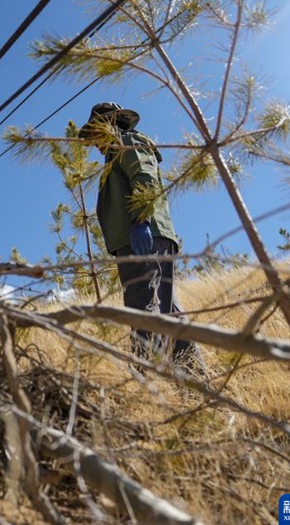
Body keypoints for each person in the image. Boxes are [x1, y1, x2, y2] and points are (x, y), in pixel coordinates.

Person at [78, 102, 204, 372]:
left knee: (141, 304)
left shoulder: (127, 142)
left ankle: (144, 378)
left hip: (143, 236)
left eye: (94, 133)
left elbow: (145, 178)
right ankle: (193, 375)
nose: (94, 143)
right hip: (148, 236)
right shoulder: (116, 152)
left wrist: (140, 220)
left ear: (108, 125)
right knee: (168, 309)